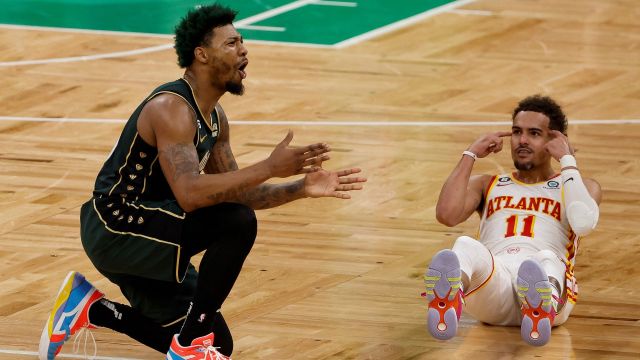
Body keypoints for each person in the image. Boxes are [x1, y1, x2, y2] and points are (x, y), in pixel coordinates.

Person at [38, 4, 366, 360]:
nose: (244, 50)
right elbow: (191, 195)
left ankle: (91, 308)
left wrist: (300, 189)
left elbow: (237, 192)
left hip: (153, 229)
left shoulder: (215, 119)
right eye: (231, 43)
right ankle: (189, 339)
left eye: (242, 41)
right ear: (201, 54)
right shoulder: (171, 108)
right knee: (236, 223)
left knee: (219, 346)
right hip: (116, 227)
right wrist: (270, 165)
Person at [423, 95, 601, 346]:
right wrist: (470, 154)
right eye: (517, 132)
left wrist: (567, 161)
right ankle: (446, 302)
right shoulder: (489, 184)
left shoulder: (576, 185)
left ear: (555, 140)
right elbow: (446, 215)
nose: (522, 140)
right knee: (464, 246)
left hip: (550, 286)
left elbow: (583, 222)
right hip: (497, 287)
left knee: (545, 260)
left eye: (534, 133)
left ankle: (541, 306)